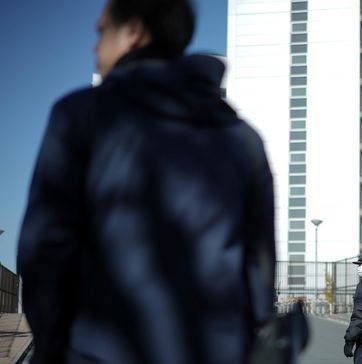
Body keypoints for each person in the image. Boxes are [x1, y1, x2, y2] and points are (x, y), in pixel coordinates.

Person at [17, 1, 276, 363]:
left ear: (133, 31)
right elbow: (259, 272)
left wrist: (52, 348)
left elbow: (45, 250)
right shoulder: (244, 139)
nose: (94, 46)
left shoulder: (80, 115)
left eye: (100, 31)